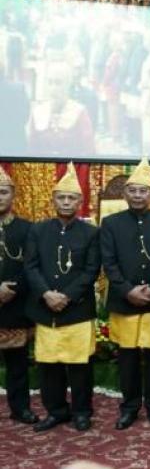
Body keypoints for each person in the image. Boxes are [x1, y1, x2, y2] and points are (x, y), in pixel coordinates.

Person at [25, 162, 100, 431]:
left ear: (80, 202)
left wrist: (66, 296)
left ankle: (82, 412)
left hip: (77, 309)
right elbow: (30, 266)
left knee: (80, 366)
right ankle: (56, 411)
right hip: (46, 309)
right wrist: (46, 294)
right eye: (61, 197)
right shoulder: (38, 230)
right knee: (49, 366)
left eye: (71, 198)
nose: (66, 202)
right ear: (53, 200)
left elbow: (91, 270)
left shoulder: (91, 232)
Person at [101, 157, 150, 430]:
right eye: (132, 190)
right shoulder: (111, 223)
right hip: (124, 301)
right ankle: (129, 407)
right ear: (125, 194)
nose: (137, 195)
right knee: (128, 358)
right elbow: (108, 262)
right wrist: (127, 290)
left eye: (143, 191)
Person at [0, 166, 38, 425]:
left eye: (3, 192)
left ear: (13, 195)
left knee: (17, 365)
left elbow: (32, 266)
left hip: (15, 305)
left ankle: (20, 408)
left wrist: (11, 289)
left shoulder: (27, 229)